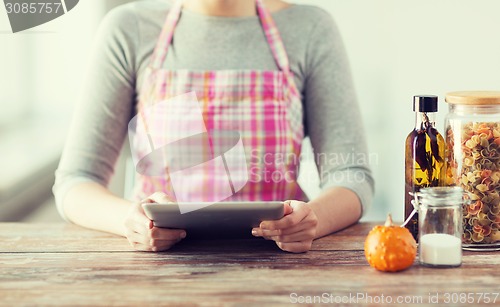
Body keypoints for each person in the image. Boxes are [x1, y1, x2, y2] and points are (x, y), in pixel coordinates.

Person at [54, 0, 374, 253]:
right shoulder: (128, 28)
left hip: (279, 264)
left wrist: (312, 220)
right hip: (158, 273)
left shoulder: (310, 28)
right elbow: (77, 179)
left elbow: (352, 173)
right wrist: (128, 220)